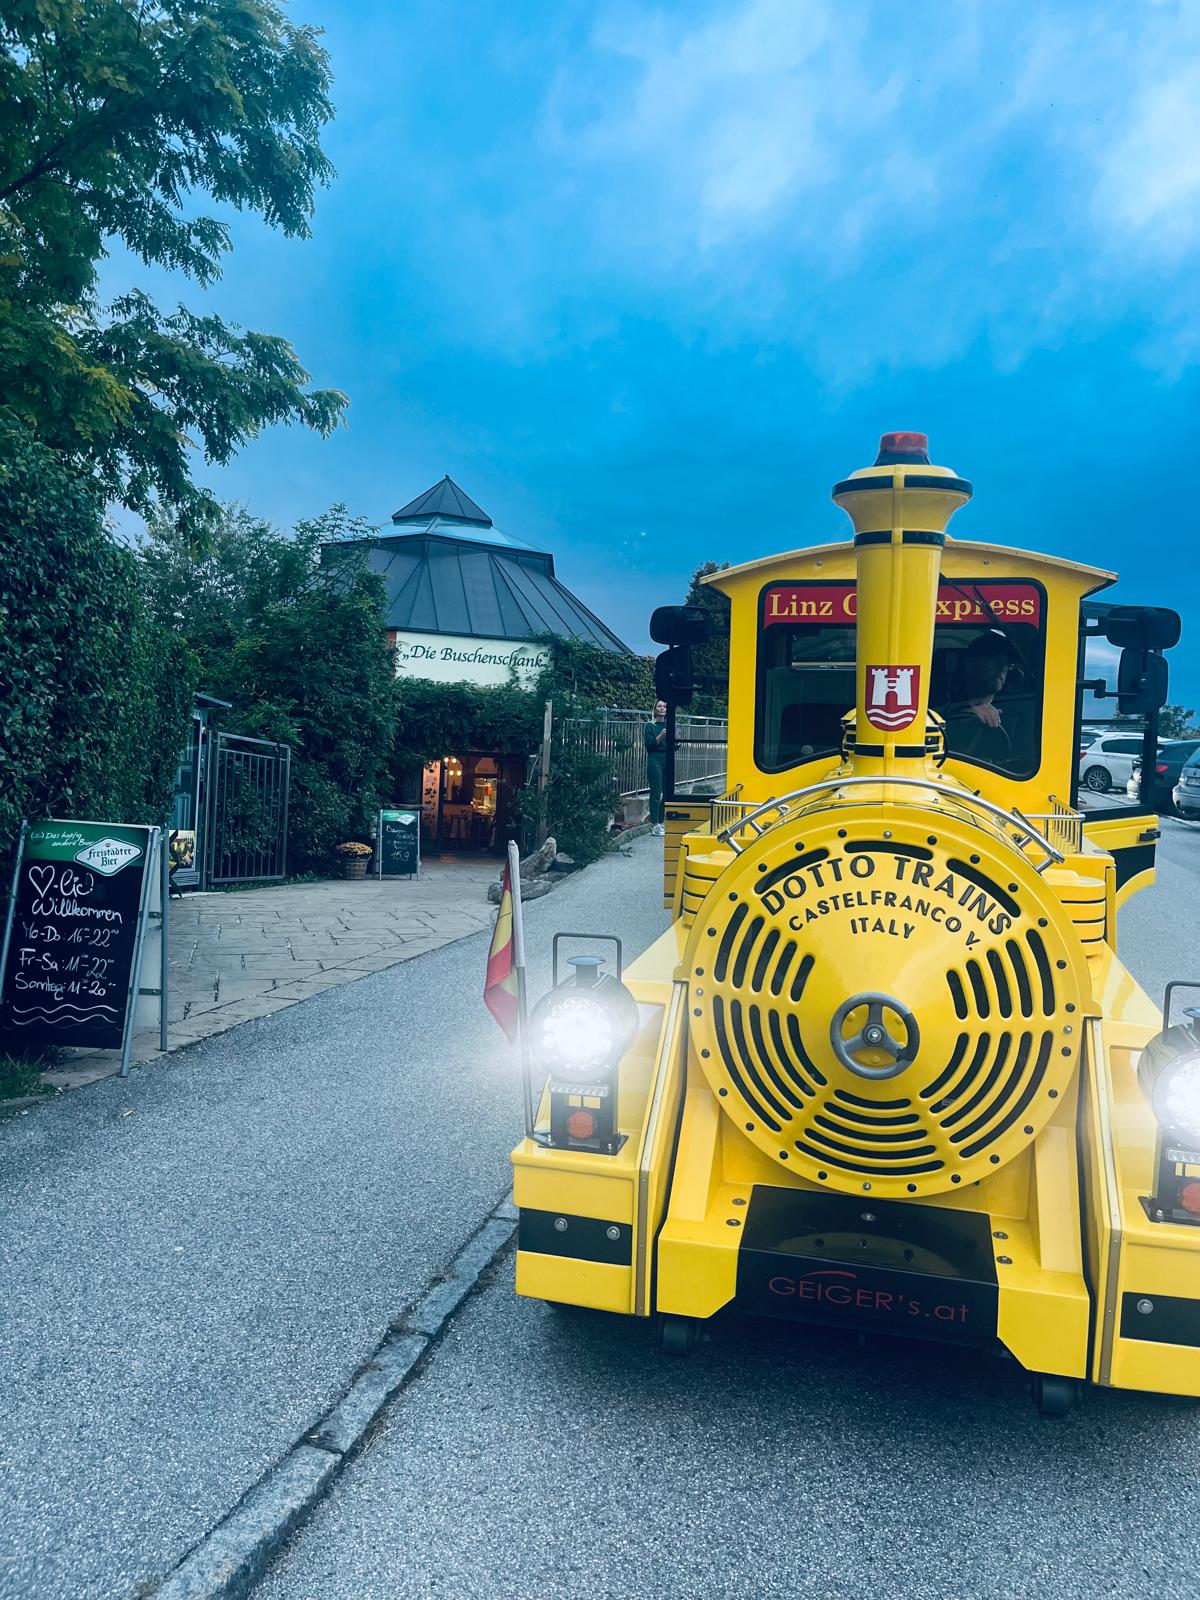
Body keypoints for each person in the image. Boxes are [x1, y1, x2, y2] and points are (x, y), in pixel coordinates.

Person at [943, 630, 1018, 762]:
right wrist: (965, 712)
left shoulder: (1016, 709)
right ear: (970, 663)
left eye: (1005, 663)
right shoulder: (941, 697)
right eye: (994, 661)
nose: (1001, 669)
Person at [644, 699, 668, 836]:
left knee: (667, 792)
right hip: (655, 760)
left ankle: (661, 821)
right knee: (656, 792)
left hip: (667, 759)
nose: (662, 708)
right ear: (655, 709)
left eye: (665, 706)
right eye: (659, 706)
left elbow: (676, 746)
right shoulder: (650, 726)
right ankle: (655, 824)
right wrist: (661, 736)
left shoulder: (671, 724)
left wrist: (675, 736)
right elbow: (649, 745)